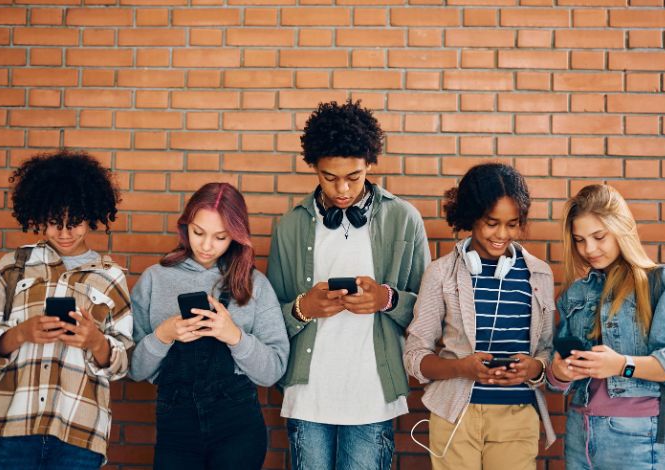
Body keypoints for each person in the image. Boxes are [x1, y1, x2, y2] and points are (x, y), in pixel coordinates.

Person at [266, 100, 431, 470]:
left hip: (373, 391)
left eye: (353, 177)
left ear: (370, 164)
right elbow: (268, 318)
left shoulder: (404, 219)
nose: (342, 189)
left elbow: (430, 313)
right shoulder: (290, 225)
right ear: (313, 167)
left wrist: (386, 299)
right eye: (329, 177)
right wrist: (302, 309)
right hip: (307, 393)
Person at [0, 150, 132, 469]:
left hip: (79, 434)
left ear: (91, 214)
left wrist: (95, 341)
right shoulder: (12, 267)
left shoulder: (110, 275)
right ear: (39, 216)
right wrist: (20, 334)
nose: (65, 232)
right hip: (11, 427)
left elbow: (123, 361)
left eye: (75, 222)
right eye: (55, 222)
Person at [404, 163, 557, 470]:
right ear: (471, 216)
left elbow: (547, 349)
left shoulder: (539, 274)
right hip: (455, 416)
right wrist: (460, 368)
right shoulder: (441, 273)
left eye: (512, 224)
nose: (502, 234)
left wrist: (534, 367)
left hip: (517, 418)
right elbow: (414, 355)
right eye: (491, 223)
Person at [128, 182, 288, 470]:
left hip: (238, 427)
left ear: (236, 237)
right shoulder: (155, 279)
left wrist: (235, 336)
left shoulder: (255, 285)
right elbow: (135, 370)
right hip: (176, 430)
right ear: (185, 226)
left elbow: (273, 371)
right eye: (198, 232)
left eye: (220, 237)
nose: (205, 245)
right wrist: (163, 335)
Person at [547, 184, 665, 470]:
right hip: (580, 432)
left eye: (598, 236)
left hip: (636, 436)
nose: (589, 249)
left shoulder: (664, 286)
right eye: (579, 240)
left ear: (621, 228)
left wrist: (620, 365)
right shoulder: (574, 294)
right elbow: (560, 381)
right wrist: (559, 373)